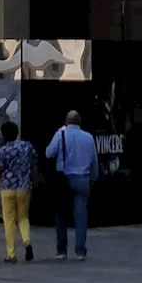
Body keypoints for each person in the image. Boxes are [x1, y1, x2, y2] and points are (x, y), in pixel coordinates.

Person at [45, 109, 99, 261]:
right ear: (79, 122)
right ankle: (81, 251)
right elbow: (94, 161)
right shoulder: (88, 137)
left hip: (65, 178)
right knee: (81, 215)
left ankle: (62, 250)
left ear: (66, 121)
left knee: (61, 215)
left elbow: (49, 153)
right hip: (83, 178)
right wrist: (93, 179)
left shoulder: (60, 134)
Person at [0, 119, 37, 264]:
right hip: (23, 187)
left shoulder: (2, 151)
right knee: (23, 217)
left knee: (9, 221)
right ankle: (26, 241)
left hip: (7, 188)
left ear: (3, 135)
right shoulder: (27, 146)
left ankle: (11, 254)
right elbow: (34, 162)